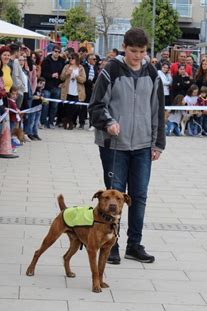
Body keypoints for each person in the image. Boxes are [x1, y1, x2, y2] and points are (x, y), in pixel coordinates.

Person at [88, 28, 165, 265]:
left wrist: (157, 144)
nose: (137, 56)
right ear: (124, 47)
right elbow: (96, 105)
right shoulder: (110, 71)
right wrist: (108, 122)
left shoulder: (152, 73)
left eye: (142, 52)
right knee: (113, 196)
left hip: (143, 145)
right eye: (133, 51)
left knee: (139, 196)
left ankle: (134, 245)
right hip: (114, 145)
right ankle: (111, 244)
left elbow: (157, 111)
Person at [40, 45, 66, 128]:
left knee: (55, 106)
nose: (57, 53)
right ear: (52, 51)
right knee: (45, 105)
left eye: (58, 52)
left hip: (57, 86)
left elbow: (63, 73)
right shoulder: (46, 60)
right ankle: (43, 122)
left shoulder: (62, 61)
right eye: (55, 51)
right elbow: (43, 73)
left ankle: (51, 122)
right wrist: (51, 75)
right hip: (47, 87)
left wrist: (62, 82)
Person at [60, 52, 86, 130]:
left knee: (75, 108)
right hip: (67, 90)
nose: (71, 60)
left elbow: (83, 79)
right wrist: (67, 73)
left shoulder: (81, 68)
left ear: (76, 59)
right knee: (67, 107)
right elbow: (62, 78)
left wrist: (77, 76)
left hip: (77, 91)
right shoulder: (66, 67)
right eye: (70, 58)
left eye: (72, 58)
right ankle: (69, 123)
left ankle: (67, 120)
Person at [82, 53, 99, 128]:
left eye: (96, 59)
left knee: (92, 106)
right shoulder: (84, 66)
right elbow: (84, 77)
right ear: (89, 60)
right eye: (94, 59)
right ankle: (81, 122)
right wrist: (91, 83)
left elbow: (96, 77)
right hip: (84, 87)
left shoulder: (95, 67)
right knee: (83, 105)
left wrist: (95, 83)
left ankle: (91, 124)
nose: (95, 61)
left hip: (92, 89)